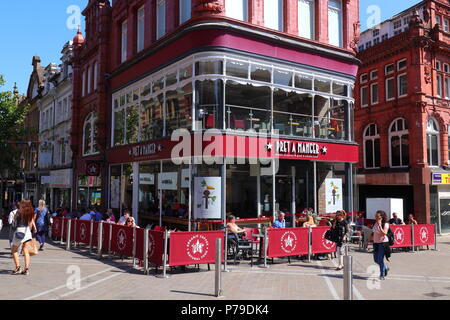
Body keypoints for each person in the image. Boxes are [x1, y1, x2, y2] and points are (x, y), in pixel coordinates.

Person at [11, 199, 36, 275]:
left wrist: (15, 217)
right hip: (27, 231)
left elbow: (14, 219)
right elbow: (31, 222)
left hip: (19, 231)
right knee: (26, 250)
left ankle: (18, 267)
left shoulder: (19, 211)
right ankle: (26, 269)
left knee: (14, 249)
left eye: (22, 203)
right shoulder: (31, 212)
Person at [372, 210, 390, 280]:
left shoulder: (385, 224)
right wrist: (368, 240)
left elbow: (384, 233)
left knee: (380, 260)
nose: (376, 217)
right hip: (376, 243)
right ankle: (385, 267)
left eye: (377, 216)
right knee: (376, 260)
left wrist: (380, 225)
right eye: (375, 216)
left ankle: (382, 275)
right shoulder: (375, 223)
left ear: (381, 217)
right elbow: (374, 232)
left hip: (383, 243)